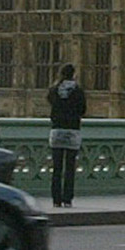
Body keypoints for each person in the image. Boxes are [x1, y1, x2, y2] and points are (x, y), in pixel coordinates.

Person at [46, 62, 88, 207]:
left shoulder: (54, 89)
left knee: (57, 168)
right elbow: (83, 110)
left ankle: (56, 199)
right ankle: (67, 198)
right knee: (70, 167)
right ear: (74, 74)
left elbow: (50, 102)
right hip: (72, 131)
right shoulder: (78, 91)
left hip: (57, 130)